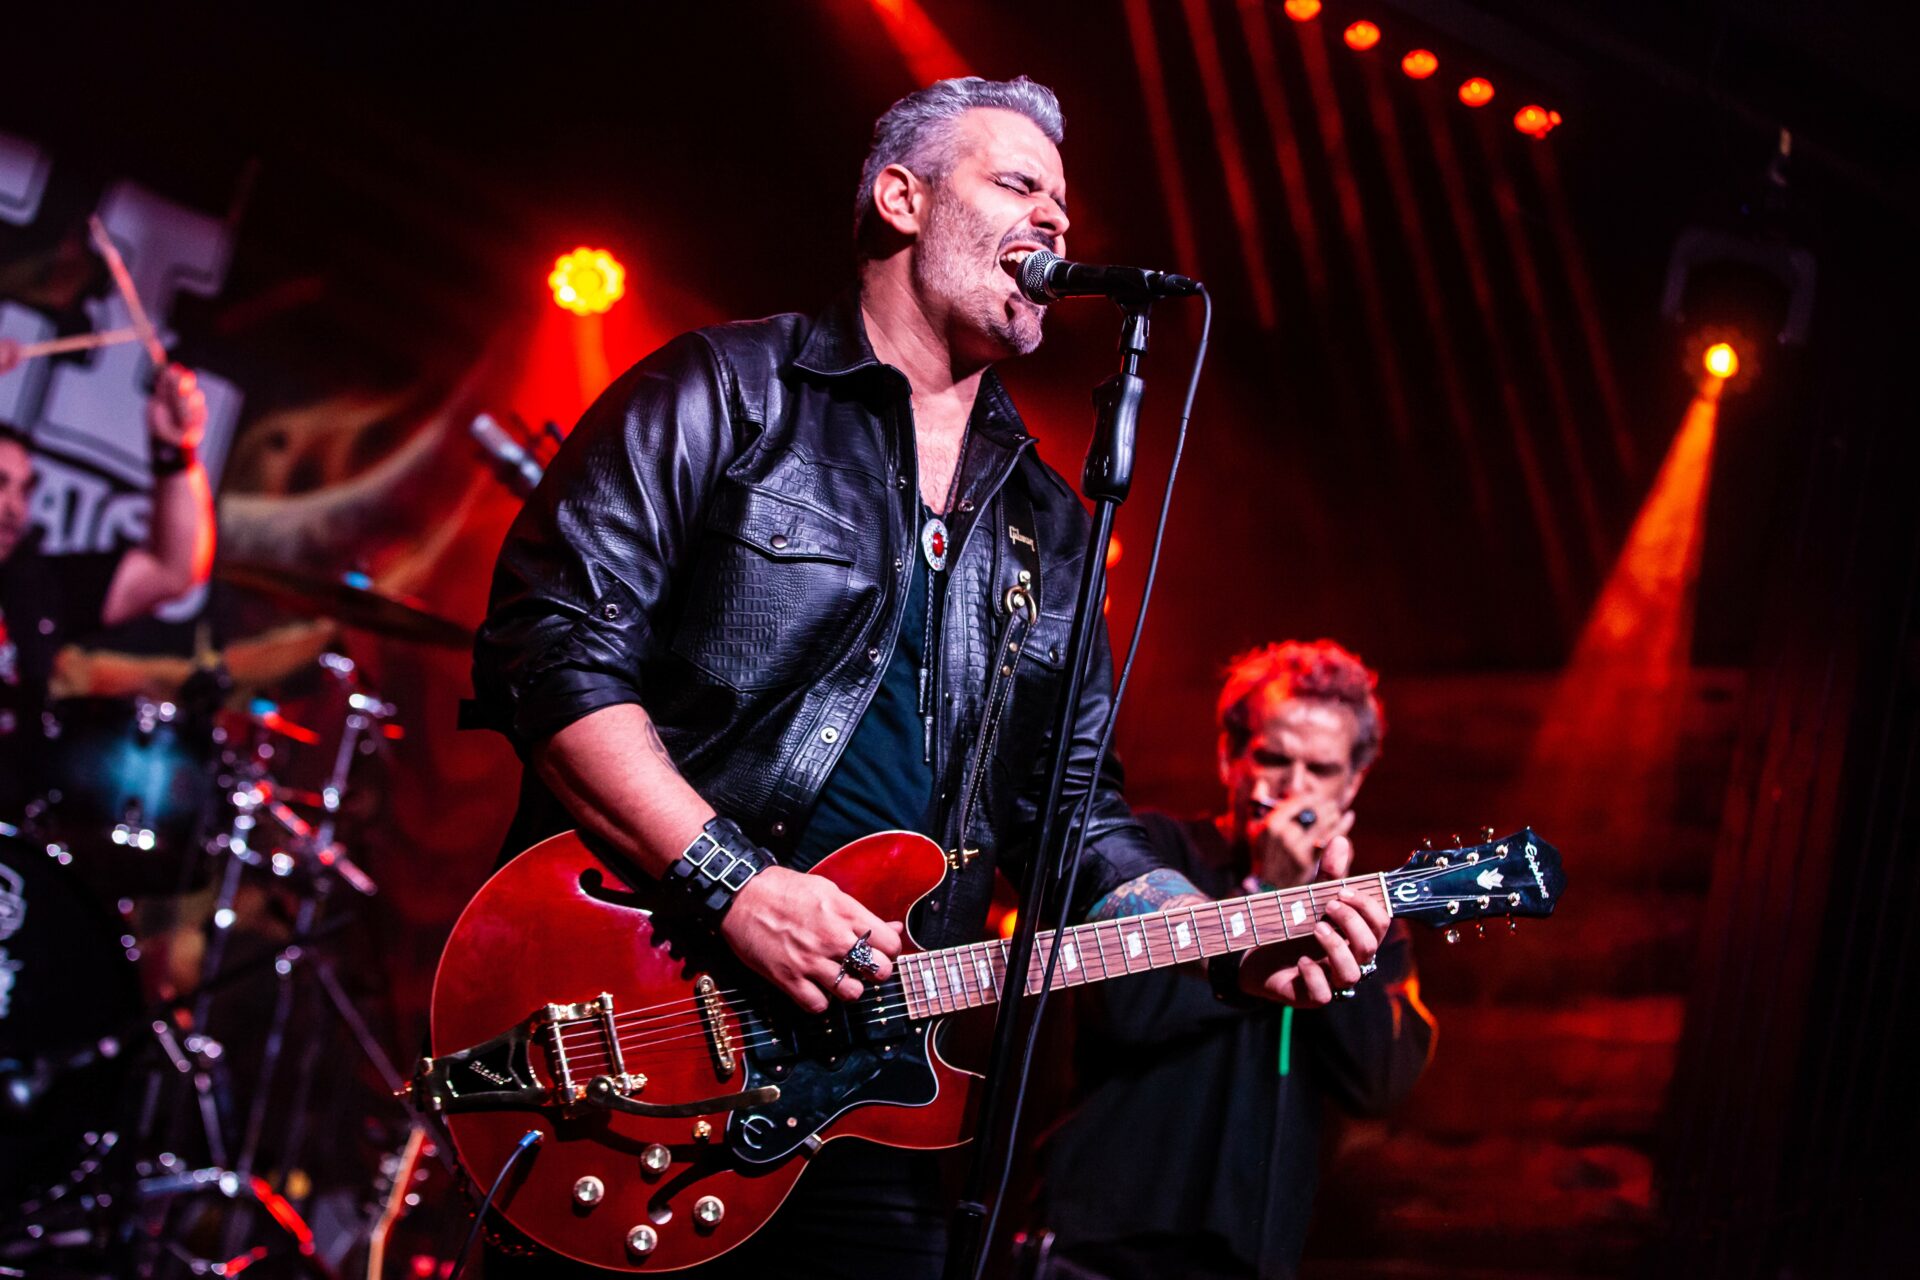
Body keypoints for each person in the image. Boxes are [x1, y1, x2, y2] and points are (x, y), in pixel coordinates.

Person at [470, 78, 1391, 1277]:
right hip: (651, 1011)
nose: (1055, 220)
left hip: (875, 1090)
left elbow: (1071, 816)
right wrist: (738, 885)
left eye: (1064, 203)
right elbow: (550, 655)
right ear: (901, 199)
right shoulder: (725, 392)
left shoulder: (1051, 526)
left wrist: (1216, 940)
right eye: (1017, 184)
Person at [1034, 640, 1437, 1280]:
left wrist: (1317, 913)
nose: (1294, 787)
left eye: (1321, 769)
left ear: (1353, 783)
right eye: (1274, 758)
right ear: (1230, 758)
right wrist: (1267, 894)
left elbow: (1379, 1081)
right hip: (1103, 1246)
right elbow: (1127, 1010)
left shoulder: (1365, 917)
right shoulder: (1153, 853)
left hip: (1249, 1261)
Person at [0, 360, 214, 826]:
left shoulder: (33, 586)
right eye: (0, 484)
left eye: (24, 490)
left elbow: (174, 570)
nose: (14, 507)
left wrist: (174, 451)